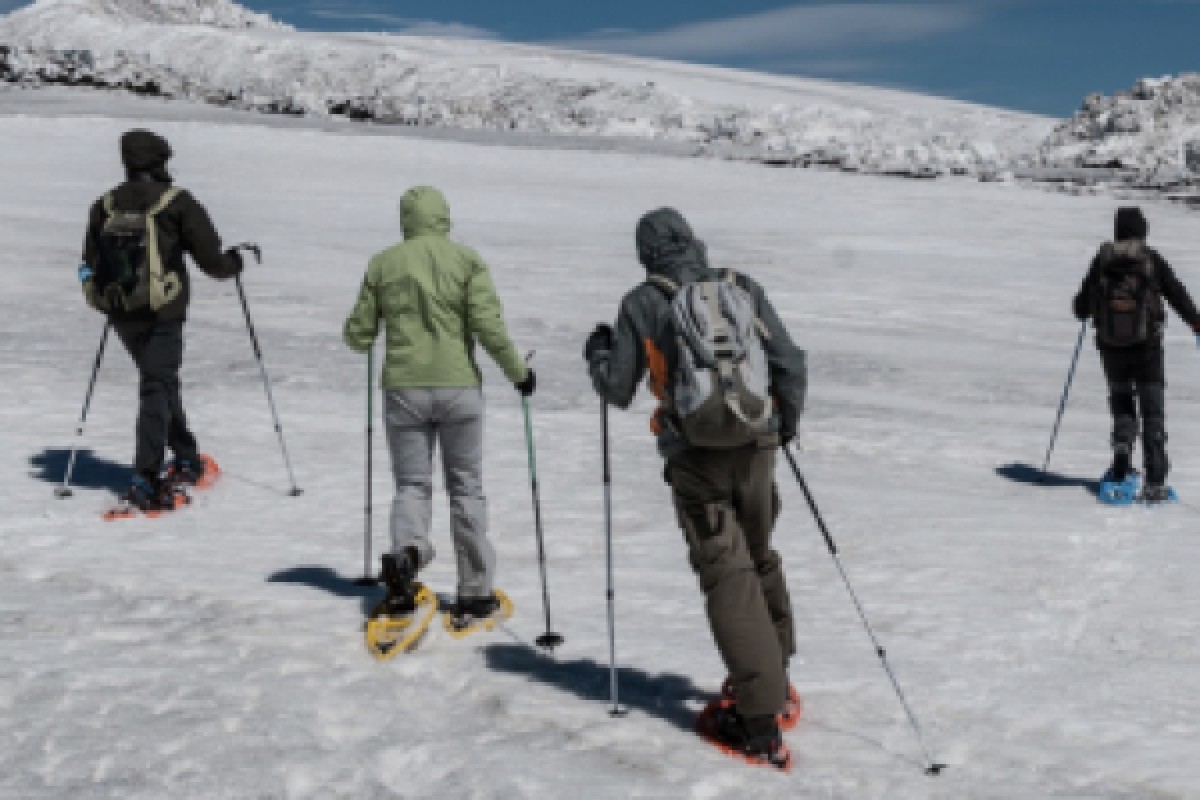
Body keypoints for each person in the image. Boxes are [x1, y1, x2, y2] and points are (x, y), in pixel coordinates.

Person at [583, 208, 806, 768]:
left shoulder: (643, 302)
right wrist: (784, 425)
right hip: (756, 443)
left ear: (646, 254)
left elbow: (617, 389)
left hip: (695, 455)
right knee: (759, 555)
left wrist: (599, 353)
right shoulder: (740, 286)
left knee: (726, 572)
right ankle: (776, 678)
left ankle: (757, 722)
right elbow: (789, 360)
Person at [344, 185, 533, 619]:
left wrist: (368, 326)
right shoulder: (467, 260)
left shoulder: (383, 263)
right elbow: (487, 325)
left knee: (411, 485)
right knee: (465, 486)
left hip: (404, 391)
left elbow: (358, 336)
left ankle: (407, 557)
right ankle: (475, 591)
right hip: (458, 388)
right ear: (443, 217)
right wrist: (518, 373)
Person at [80, 129, 244, 512]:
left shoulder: (105, 205)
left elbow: (89, 261)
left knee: (160, 379)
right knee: (156, 385)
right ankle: (146, 480)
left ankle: (186, 457)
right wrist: (235, 263)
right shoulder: (177, 202)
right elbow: (212, 262)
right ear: (160, 162)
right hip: (163, 311)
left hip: (121, 312)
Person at [1073, 206, 1200, 502]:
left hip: (1111, 348)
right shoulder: (1151, 259)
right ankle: (1155, 480)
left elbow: (1080, 307)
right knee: (1152, 409)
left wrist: (1092, 305)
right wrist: (1196, 322)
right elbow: (1176, 293)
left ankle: (1121, 459)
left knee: (1121, 402)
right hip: (1148, 348)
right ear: (1142, 231)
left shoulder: (1102, 260)